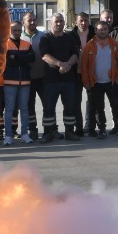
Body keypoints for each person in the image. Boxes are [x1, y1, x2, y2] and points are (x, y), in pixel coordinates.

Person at [37, 12, 82, 142]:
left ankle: (69, 132)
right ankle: (47, 133)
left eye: (61, 21)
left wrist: (68, 65)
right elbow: (45, 55)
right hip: (51, 80)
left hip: (69, 80)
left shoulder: (69, 38)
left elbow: (75, 54)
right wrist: (60, 64)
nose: (59, 23)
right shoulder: (46, 38)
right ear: (50, 23)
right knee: (49, 108)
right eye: (56, 21)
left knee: (70, 107)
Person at [80, 21, 118, 138]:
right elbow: (83, 66)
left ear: (108, 30)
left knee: (116, 105)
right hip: (95, 83)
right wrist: (86, 82)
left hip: (112, 82)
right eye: (100, 29)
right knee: (99, 108)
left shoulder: (114, 44)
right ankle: (102, 129)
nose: (103, 31)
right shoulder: (89, 46)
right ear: (95, 31)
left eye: (105, 29)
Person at [2, 18, 36, 144]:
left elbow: (32, 58)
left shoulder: (27, 44)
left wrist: (15, 57)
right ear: (9, 30)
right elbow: (7, 61)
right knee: (10, 109)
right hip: (10, 82)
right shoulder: (5, 44)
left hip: (25, 82)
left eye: (18, 30)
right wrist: (22, 58)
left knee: (24, 109)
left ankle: (25, 134)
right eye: (14, 30)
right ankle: (8, 136)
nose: (16, 32)